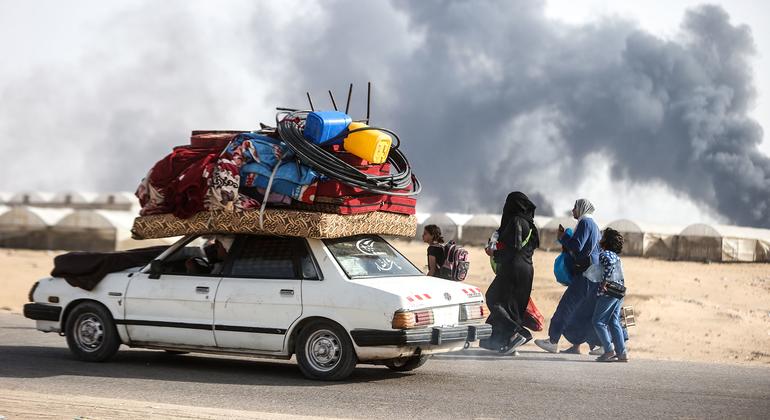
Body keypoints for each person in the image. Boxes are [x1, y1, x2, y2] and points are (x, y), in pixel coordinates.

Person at [535, 198, 600, 353]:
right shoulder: (595, 225)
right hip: (593, 275)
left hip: (585, 274)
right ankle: (595, 345)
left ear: (581, 209)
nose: (572, 210)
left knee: (566, 306)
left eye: (575, 207)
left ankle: (552, 341)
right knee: (583, 311)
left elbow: (577, 246)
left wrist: (563, 237)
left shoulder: (585, 223)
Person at [481, 192, 540, 354]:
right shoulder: (530, 224)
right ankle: (509, 343)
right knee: (513, 307)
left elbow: (513, 248)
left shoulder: (515, 221)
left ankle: (517, 332)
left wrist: (494, 253)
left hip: (513, 267)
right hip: (527, 269)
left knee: (493, 298)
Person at [592, 228, 628, 362]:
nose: (600, 239)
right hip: (619, 291)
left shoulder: (605, 254)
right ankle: (622, 353)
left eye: (602, 237)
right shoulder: (616, 256)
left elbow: (608, 266)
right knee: (614, 321)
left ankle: (608, 350)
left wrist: (605, 282)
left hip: (609, 292)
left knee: (598, 321)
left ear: (606, 241)